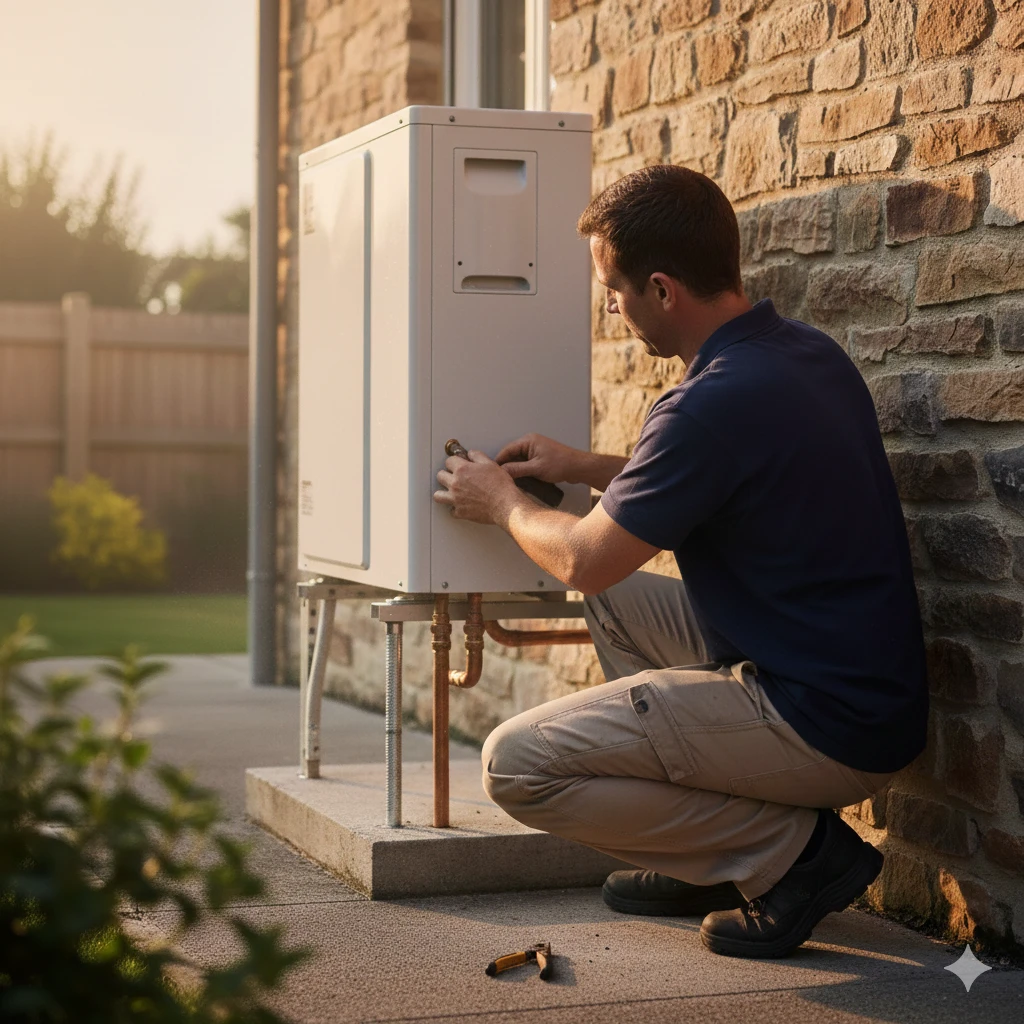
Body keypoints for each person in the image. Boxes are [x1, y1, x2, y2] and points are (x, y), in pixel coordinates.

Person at [432, 164, 928, 959]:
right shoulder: (799, 353)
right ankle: (712, 859)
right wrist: (587, 466)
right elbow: (722, 473)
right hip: (859, 691)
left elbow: (585, 561)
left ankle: (790, 859)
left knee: (515, 765)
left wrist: (501, 500)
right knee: (620, 603)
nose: (611, 308)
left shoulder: (705, 405)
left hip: (823, 724)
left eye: (614, 291)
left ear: (663, 290)